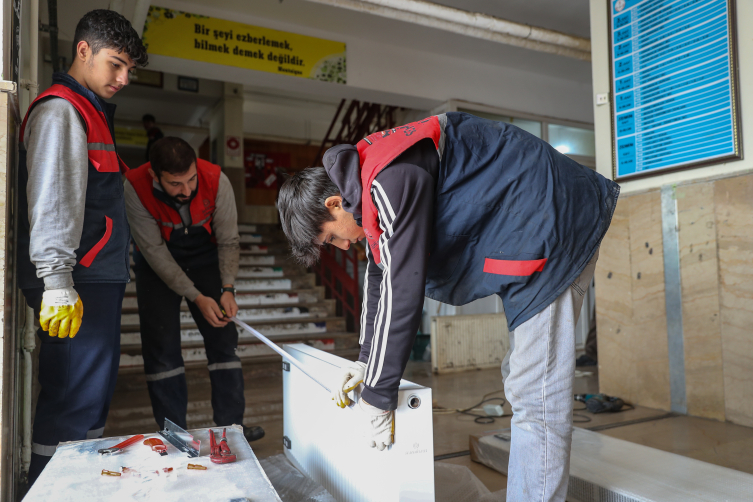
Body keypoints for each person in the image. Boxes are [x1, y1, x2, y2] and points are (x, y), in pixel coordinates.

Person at [277, 112, 619, 502]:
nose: (341, 246)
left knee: (535, 393)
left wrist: (378, 395)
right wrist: (365, 363)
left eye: (330, 238)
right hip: (531, 222)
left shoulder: (390, 180)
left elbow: (403, 285)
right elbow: (380, 278)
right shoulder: (369, 184)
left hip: (556, 222)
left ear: (335, 203)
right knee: (524, 379)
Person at [16, 10, 148, 484]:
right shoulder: (61, 110)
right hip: (77, 282)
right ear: (83, 50)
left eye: (129, 69)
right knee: (72, 402)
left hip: (95, 277)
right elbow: (53, 197)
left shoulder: (90, 112)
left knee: (89, 399)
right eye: (116, 64)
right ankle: (50, 490)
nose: (124, 78)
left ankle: (76, 488)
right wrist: (56, 281)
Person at [123, 137, 264, 443]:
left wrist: (227, 288)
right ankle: (174, 435)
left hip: (205, 257)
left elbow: (229, 239)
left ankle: (231, 429)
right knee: (161, 350)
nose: (186, 191)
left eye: (191, 179)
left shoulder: (216, 179)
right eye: (175, 184)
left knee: (225, 338)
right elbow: (154, 252)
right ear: (155, 175)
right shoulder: (133, 186)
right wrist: (196, 296)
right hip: (157, 264)